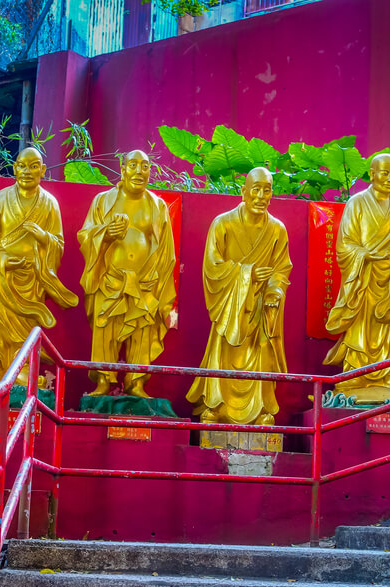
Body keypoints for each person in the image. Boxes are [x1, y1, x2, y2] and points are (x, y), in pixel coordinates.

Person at [187, 168, 291, 425]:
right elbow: (212, 266)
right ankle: (217, 406)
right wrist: (247, 275)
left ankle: (259, 412)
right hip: (231, 306)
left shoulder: (277, 229)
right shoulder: (223, 223)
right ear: (243, 192)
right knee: (224, 350)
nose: (260, 196)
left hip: (260, 309)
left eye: (266, 190)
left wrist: (274, 292)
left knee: (261, 353)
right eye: (255, 189)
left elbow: (281, 269)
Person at [0, 148, 78, 384]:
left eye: (33, 166)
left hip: (31, 277)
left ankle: (23, 368)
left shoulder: (49, 204)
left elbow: (58, 244)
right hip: (1, 275)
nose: (27, 171)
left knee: (26, 323)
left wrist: (43, 237)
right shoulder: (1, 198)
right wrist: (2, 260)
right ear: (14, 169)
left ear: (42, 170)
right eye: (22, 165)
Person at [78, 150, 176, 398]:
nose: (140, 171)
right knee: (105, 331)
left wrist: (158, 279)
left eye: (145, 166)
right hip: (110, 279)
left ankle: (136, 382)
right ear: (123, 169)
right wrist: (106, 233)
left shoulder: (157, 205)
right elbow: (85, 235)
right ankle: (103, 381)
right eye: (133, 165)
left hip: (144, 281)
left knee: (141, 332)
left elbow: (167, 250)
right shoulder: (103, 201)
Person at [324, 153, 390, 400]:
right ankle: (357, 371)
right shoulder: (356, 203)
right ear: (372, 174)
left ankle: (388, 373)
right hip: (364, 278)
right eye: (384, 173)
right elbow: (345, 244)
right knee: (362, 323)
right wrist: (365, 256)